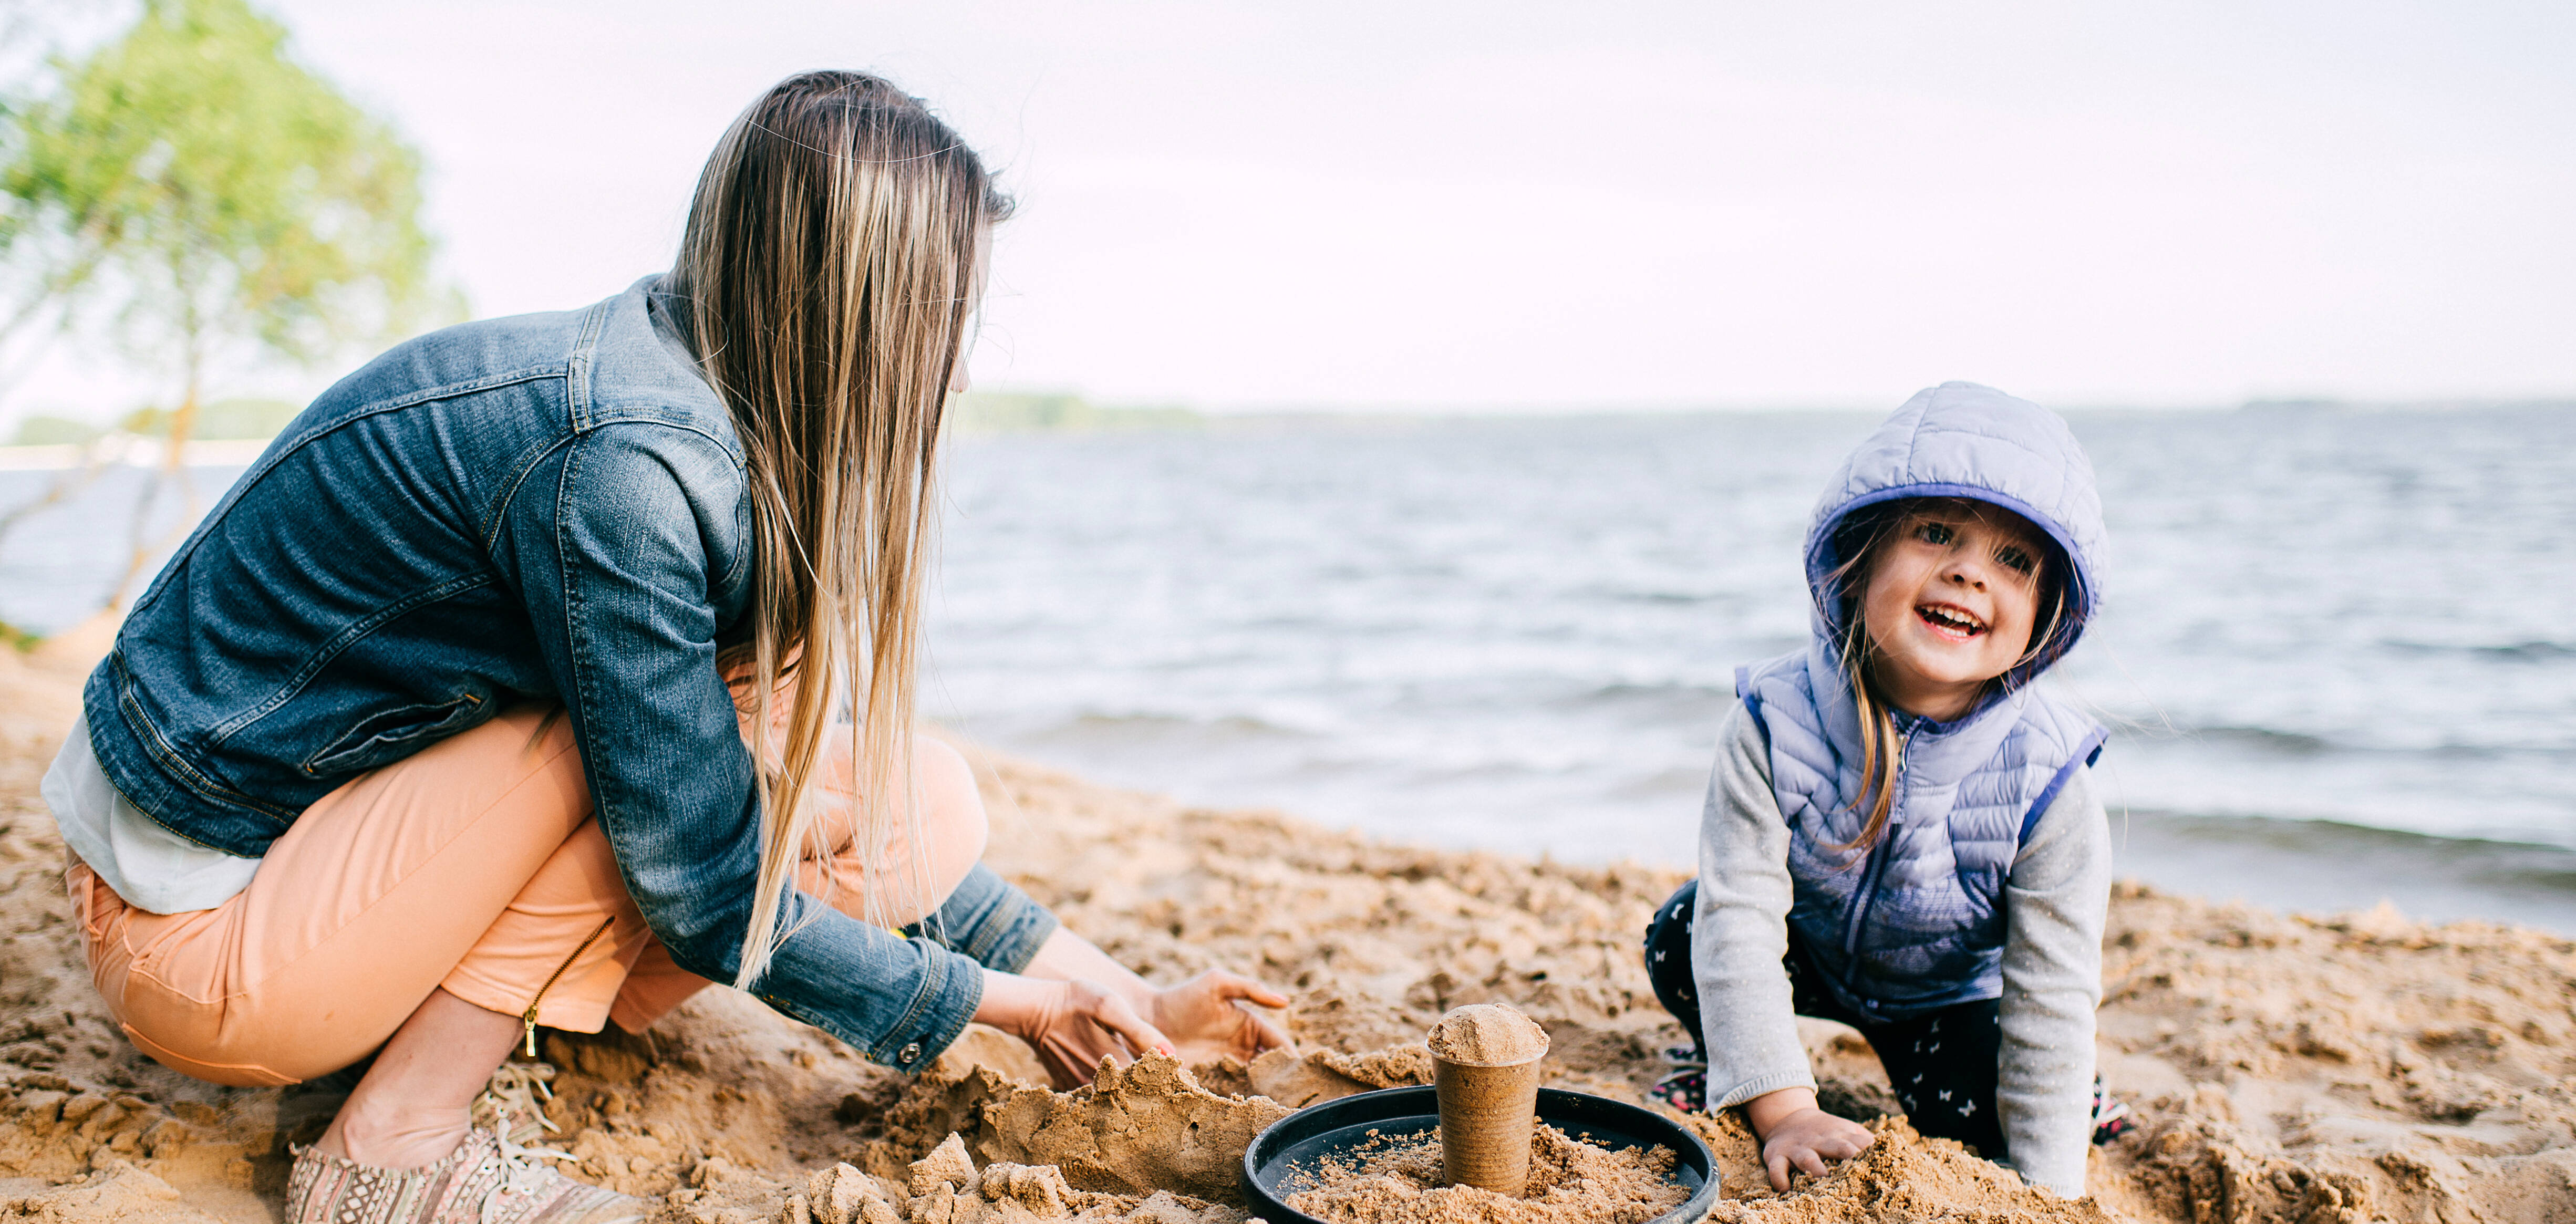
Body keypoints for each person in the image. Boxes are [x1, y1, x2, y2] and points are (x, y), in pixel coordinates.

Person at [43, 71, 1289, 1223]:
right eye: (946, 310)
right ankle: (394, 1144)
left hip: (317, 876)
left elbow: (777, 802)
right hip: (200, 940)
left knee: (916, 804)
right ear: (857, 301)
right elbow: (697, 878)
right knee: (666, 754)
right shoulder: (626, 466)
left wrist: (1114, 991)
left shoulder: (694, 408)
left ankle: (450, 1044)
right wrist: (1001, 1009)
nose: (958, 366)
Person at [1638, 382, 2119, 1199]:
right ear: (1859, 560)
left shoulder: (2051, 782)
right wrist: (1785, 1110)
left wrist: (2050, 1192)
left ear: (2042, 616)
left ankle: (2086, 1104)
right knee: (1684, 932)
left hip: (1947, 998)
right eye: (1937, 533)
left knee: (1981, 1118)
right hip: (1813, 957)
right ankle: (1738, 1069)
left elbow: (2054, 992)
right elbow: (1744, 918)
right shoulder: (1770, 723)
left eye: (2014, 560)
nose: (1970, 570)